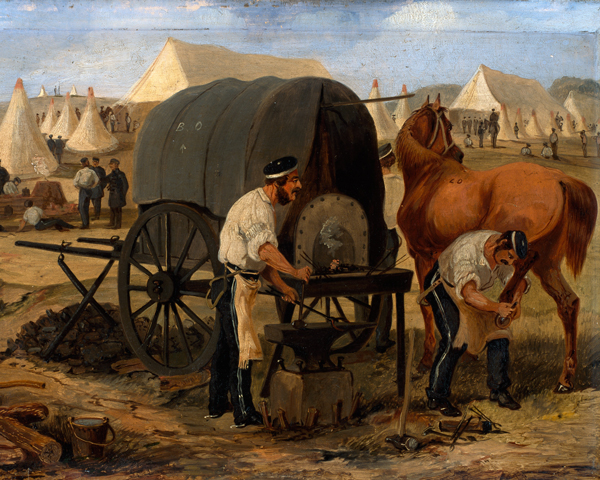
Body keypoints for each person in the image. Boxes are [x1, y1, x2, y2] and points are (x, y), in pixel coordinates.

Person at [207, 156, 311, 427]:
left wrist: (284, 287)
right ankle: (243, 412)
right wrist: (295, 272)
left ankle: (217, 404)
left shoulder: (264, 204)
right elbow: (265, 251)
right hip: (234, 284)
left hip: (240, 282)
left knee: (224, 347)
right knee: (244, 348)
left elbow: (261, 261)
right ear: (278, 184)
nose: (298, 186)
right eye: (294, 181)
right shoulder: (258, 208)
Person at [422, 230, 529, 417]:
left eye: (514, 260)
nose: (510, 262)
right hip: (445, 287)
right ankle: (436, 397)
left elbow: (516, 280)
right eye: (509, 257)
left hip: (471, 292)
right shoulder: (468, 251)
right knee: (455, 339)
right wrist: (496, 307)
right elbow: (468, 294)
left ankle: (499, 390)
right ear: (500, 243)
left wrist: (516, 299)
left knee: (499, 333)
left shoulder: (502, 251)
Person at [376, 143, 403, 353]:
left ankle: (379, 337)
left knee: (378, 288)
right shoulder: (400, 183)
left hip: (377, 236)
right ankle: (381, 337)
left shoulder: (376, 184)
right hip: (391, 236)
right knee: (385, 289)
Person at [73, 157, 99, 229]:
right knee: (86, 207)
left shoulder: (80, 172)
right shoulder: (92, 172)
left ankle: (85, 224)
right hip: (89, 190)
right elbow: (96, 181)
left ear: (83, 164)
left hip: (83, 190)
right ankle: (86, 224)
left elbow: (75, 183)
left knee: (81, 207)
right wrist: (91, 187)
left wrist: (80, 187)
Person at [104, 158, 128, 229]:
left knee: (117, 210)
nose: (110, 165)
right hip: (112, 194)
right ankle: (111, 223)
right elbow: (105, 179)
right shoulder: (111, 174)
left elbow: (125, 186)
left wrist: (122, 195)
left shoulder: (121, 174)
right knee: (112, 208)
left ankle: (117, 225)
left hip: (118, 195)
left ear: (116, 165)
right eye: (110, 164)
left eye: (112, 164)